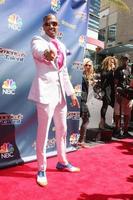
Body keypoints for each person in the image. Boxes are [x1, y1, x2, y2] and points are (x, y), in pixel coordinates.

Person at [28, 14, 80, 187]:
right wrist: (46, 54)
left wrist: (71, 93)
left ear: (58, 26)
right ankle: (41, 168)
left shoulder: (62, 46)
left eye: (55, 23)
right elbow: (38, 51)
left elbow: (63, 72)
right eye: (48, 23)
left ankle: (62, 161)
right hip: (44, 93)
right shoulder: (38, 40)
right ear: (43, 26)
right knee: (43, 131)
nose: (52, 26)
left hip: (60, 95)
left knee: (63, 129)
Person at [76, 58, 95, 148]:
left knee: (84, 120)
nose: (87, 67)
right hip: (80, 99)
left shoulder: (86, 75)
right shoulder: (80, 74)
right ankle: (81, 141)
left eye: (89, 65)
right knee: (86, 120)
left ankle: (80, 140)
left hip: (82, 99)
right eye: (86, 65)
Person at [113, 54, 133, 138]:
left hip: (128, 95)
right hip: (119, 94)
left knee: (127, 113)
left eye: (126, 59)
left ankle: (125, 130)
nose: (125, 61)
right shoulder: (118, 70)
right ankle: (117, 129)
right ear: (121, 60)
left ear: (128, 60)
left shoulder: (130, 70)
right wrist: (117, 94)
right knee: (117, 113)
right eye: (123, 59)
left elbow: (131, 82)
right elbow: (115, 83)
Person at [99, 56, 118, 129]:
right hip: (106, 90)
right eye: (111, 62)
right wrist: (111, 70)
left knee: (113, 106)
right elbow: (104, 76)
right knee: (105, 106)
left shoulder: (113, 71)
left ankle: (112, 123)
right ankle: (102, 123)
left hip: (112, 91)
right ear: (107, 62)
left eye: (113, 62)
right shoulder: (104, 70)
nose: (112, 63)